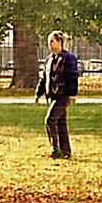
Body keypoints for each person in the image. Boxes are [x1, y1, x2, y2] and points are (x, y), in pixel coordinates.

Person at [34, 30, 79, 159]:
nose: (50, 44)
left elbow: (72, 76)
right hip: (53, 95)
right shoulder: (49, 60)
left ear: (60, 42)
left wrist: (72, 93)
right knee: (61, 122)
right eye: (48, 42)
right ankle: (66, 151)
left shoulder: (68, 58)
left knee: (50, 120)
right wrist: (39, 93)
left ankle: (56, 149)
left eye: (52, 41)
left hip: (63, 94)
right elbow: (44, 78)